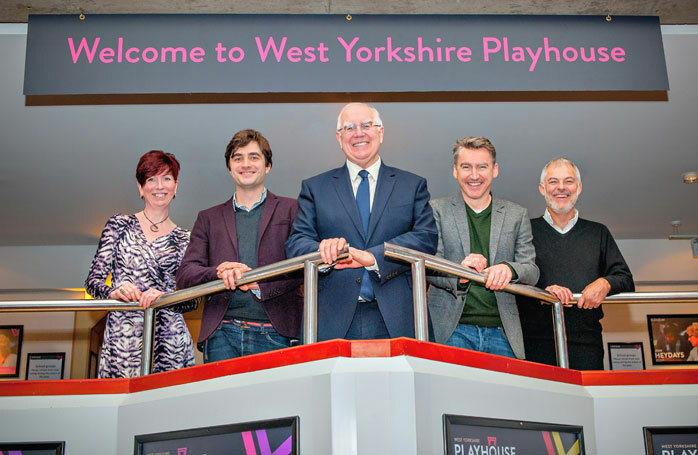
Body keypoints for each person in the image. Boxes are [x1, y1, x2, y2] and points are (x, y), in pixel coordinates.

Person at [285, 103, 438, 341]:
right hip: (331, 318)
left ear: (381, 132)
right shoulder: (315, 188)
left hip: (400, 319)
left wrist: (374, 256)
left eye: (366, 125)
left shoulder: (412, 185)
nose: (358, 133)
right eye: (349, 128)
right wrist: (323, 250)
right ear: (339, 137)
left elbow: (426, 238)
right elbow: (296, 244)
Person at [176, 129, 302, 362]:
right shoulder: (207, 217)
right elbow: (185, 275)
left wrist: (260, 283)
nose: (246, 164)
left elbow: (303, 266)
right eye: (238, 158)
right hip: (221, 334)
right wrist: (218, 271)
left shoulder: (292, 209)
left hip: (278, 334)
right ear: (229, 167)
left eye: (254, 157)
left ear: (267, 166)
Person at [517, 157, 635, 370]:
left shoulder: (598, 232)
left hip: (587, 344)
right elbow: (513, 280)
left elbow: (625, 279)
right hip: (534, 345)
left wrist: (605, 283)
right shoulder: (524, 230)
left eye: (568, 181)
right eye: (553, 182)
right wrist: (542, 294)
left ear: (579, 188)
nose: (561, 187)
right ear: (542, 188)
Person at [85, 150, 195, 378]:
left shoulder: (186, 238)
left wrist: (165, 296)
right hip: (123, 340)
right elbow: (92, 282)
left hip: (170, 342)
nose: (159, 186)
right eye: (151, 179)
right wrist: (114, 291)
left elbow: (192, 301)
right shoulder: (118, 225)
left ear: (176, 186)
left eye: (166, 178)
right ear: (140, 187)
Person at [427, 137, 539, 359]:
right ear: (455, 171)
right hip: (451, 330)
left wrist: (510, 269)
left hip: (503, 332)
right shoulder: (436, 210)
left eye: (482, 167)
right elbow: (430, 266)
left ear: (495, 170)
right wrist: (461, 273)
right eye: (466, 167)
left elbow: (532, 270)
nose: (474, 175)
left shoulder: (517, 214)